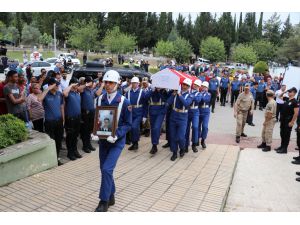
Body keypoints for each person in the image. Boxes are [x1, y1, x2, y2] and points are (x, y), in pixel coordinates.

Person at [94, 70, 132, 212]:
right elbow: (98, 120)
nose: (108, 85)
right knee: (105, 170)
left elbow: (128, 124)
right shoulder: (99, 99)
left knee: (106, 169)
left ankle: (104, 201)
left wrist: (117, 134)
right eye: (106, 82)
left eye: (111, 82)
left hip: (116, 142)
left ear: (117, 83)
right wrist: (95, 132)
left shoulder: (124, 101)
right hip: (103, 141)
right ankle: (111, 195)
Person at [38, 78, 64, 166]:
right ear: (50, 85)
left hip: (59, 121)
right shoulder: (46, 94)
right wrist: (48, 88)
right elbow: (39, 98)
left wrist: (63, 119)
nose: (57, 86)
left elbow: (61, 107)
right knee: (51, 141)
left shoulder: (59, 94)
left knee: (58, 141)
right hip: (49, 122)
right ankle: (51, 159)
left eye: (58, 84)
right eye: (55, 84)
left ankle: (56, 158)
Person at [167, 78, 193, 161]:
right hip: (174, 116)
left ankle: (182, 148)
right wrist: (172, 95)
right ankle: (174, 152)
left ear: (189, 87)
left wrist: (180, 95)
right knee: (173, 136)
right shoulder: (176, 93)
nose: (184, 86)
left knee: (181, 137)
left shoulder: (190, 95)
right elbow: (168, 103)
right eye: (183, 84)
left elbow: (186, 104)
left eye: (186, 85)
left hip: (183, 117)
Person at [63, 77, 83, 161]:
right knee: (70, 136)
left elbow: (82, 89)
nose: (77, 85)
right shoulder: (68, 93)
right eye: (76, 84)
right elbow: (64, 93)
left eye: (77, 84)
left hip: (77, 118)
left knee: (75, 136)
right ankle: (70, 153)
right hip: (70, 118)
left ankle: (75, 151)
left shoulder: (77, 94)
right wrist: (71, 85)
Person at [125, 76, 148, 151]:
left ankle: (136, 143)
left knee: (135, 127)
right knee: (131, 128)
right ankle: (134, 143)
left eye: (135, 83)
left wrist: (144, 116)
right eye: (133, 83)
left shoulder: (142, 92)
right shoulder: (128, 92)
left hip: (139, 113)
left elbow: (145, 104)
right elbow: (125, 104)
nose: (134, 84)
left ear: (138, 84)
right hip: (130, 113)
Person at [145, 87, 169, 154]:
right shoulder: (151, 90)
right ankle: (154, 146)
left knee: (156, 127)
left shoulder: (164, 91)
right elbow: (145, 97)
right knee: (153, 129)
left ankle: (155, 143)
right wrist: (152, 91)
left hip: (160, 111)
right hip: (152, 110)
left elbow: (166, 100)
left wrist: (159, 91)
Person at [275, 87, 299, 154]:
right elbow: (279, 96)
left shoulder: (295, 102)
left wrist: (292, 122)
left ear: (294, 93)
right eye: (289, 91)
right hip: (283, 119)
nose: (289, 93)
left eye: (290, 92)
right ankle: (282, 146)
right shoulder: (287, 99)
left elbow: (296, 113)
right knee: (282, 133)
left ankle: (284, 149)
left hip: (288, 120)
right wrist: (284, 92)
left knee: (286, 135)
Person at [185, 79, 202, 153]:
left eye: (197, 85)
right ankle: (185, 145)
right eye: (195, 84)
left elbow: (198, 100)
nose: (195, 86)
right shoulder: (188, 91)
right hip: (188, 111)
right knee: (186, 128)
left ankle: (194, 144)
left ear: (199, 87)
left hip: (195, 111)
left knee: (195, 127)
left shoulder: (199, 93)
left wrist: (191, 96)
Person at [80, 76, 97, 153]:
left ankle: (89, 144)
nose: (92, 83)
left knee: (90, 130)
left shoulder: (91, 90)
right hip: (85, 113)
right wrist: (86, 84)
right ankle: (85, 146)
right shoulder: (83, 89)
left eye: (92, 82)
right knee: (85, 130)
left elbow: (96, 94)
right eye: (90, 82)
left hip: (92, 112)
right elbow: (79, 89)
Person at [198, 81, 211, 149]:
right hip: (199, 110)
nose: (203, 88)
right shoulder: (199, 93)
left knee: (205, 126)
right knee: (197, 126)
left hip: (206, 111)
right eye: (202, 86)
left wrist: (200, 95)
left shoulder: (208, 94)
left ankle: (203, 140)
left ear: (207, 88)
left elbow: (206, 100)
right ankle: (197, 138)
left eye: (205, 87)